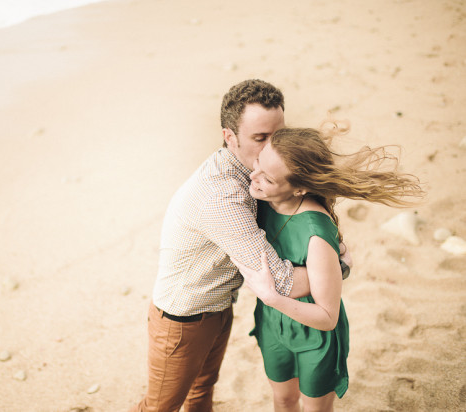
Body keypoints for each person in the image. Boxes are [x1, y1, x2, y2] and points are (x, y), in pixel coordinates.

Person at [131, 79, 326, 412]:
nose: (271, 149)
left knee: (202, 390)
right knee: (160, 408)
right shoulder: (224, 194)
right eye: (260, 138)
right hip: (182, 321)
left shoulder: (255, 174)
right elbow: (279, 281)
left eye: (277, 136)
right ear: (230, 137)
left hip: (219, 307)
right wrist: (335, 268)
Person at [233, 126, 424, 412]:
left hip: (314, 336)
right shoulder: (259, 201)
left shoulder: (315, 231)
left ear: (299, 188)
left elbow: (327, 317)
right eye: (259, 161)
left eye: (268, 178)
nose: (253, 176)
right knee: (283, 400)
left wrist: (272, 298)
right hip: (273, 324)